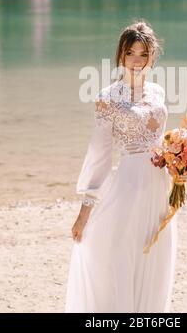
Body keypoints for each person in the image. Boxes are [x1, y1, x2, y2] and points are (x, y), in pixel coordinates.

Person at [65, 20, 178, 313]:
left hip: (160, 185)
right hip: (129, 181)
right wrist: (85, 210)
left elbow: (159, 137)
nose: (137, 60)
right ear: (121, 55)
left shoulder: (157, 92)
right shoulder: (107, 98)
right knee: (122, 251)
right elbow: (100, 154)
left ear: (152, 56)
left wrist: (179, 159)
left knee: (155, 254)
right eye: (131, 53)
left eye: (143, 54)